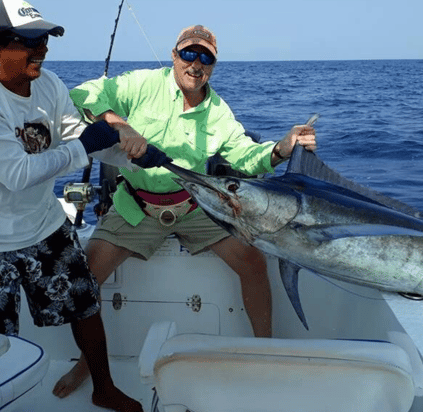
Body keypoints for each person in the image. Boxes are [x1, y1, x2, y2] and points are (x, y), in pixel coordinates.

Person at [53, 24, 316, 397]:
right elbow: (83, 93)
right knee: (85, 277)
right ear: (175, 55)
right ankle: (88, 361)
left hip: (194, 205)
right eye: (189, 54)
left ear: (213, 65)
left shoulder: (218, 110)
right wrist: (118, 124)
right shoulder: (142, 84)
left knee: (252, 260)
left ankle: (265, 350)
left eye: (205, 57)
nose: (196, 63)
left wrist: (281, 149)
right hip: (137, 204)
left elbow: (246, 155)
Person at [0, 0, 146, 412]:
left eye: (46, 38)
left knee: (85, 303)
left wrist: (127, 150)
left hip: (42, 223)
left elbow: (76, 134)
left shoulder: (49, 84)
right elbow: (17, 174)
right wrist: (87, 146)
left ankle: (103, 387)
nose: (43, 49)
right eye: (29, 40)